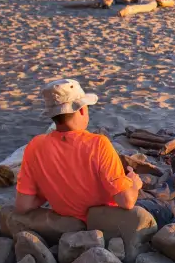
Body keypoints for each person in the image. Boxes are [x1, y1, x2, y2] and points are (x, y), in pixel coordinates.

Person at [15, 78, 144, 223]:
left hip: (67, 221)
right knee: (162, 205)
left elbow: (22, 205)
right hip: (103, 223)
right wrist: (134, 185)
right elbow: (126, 202)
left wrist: (50, 190)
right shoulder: (98, 144)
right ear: (82, 109)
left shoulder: (35, 146)